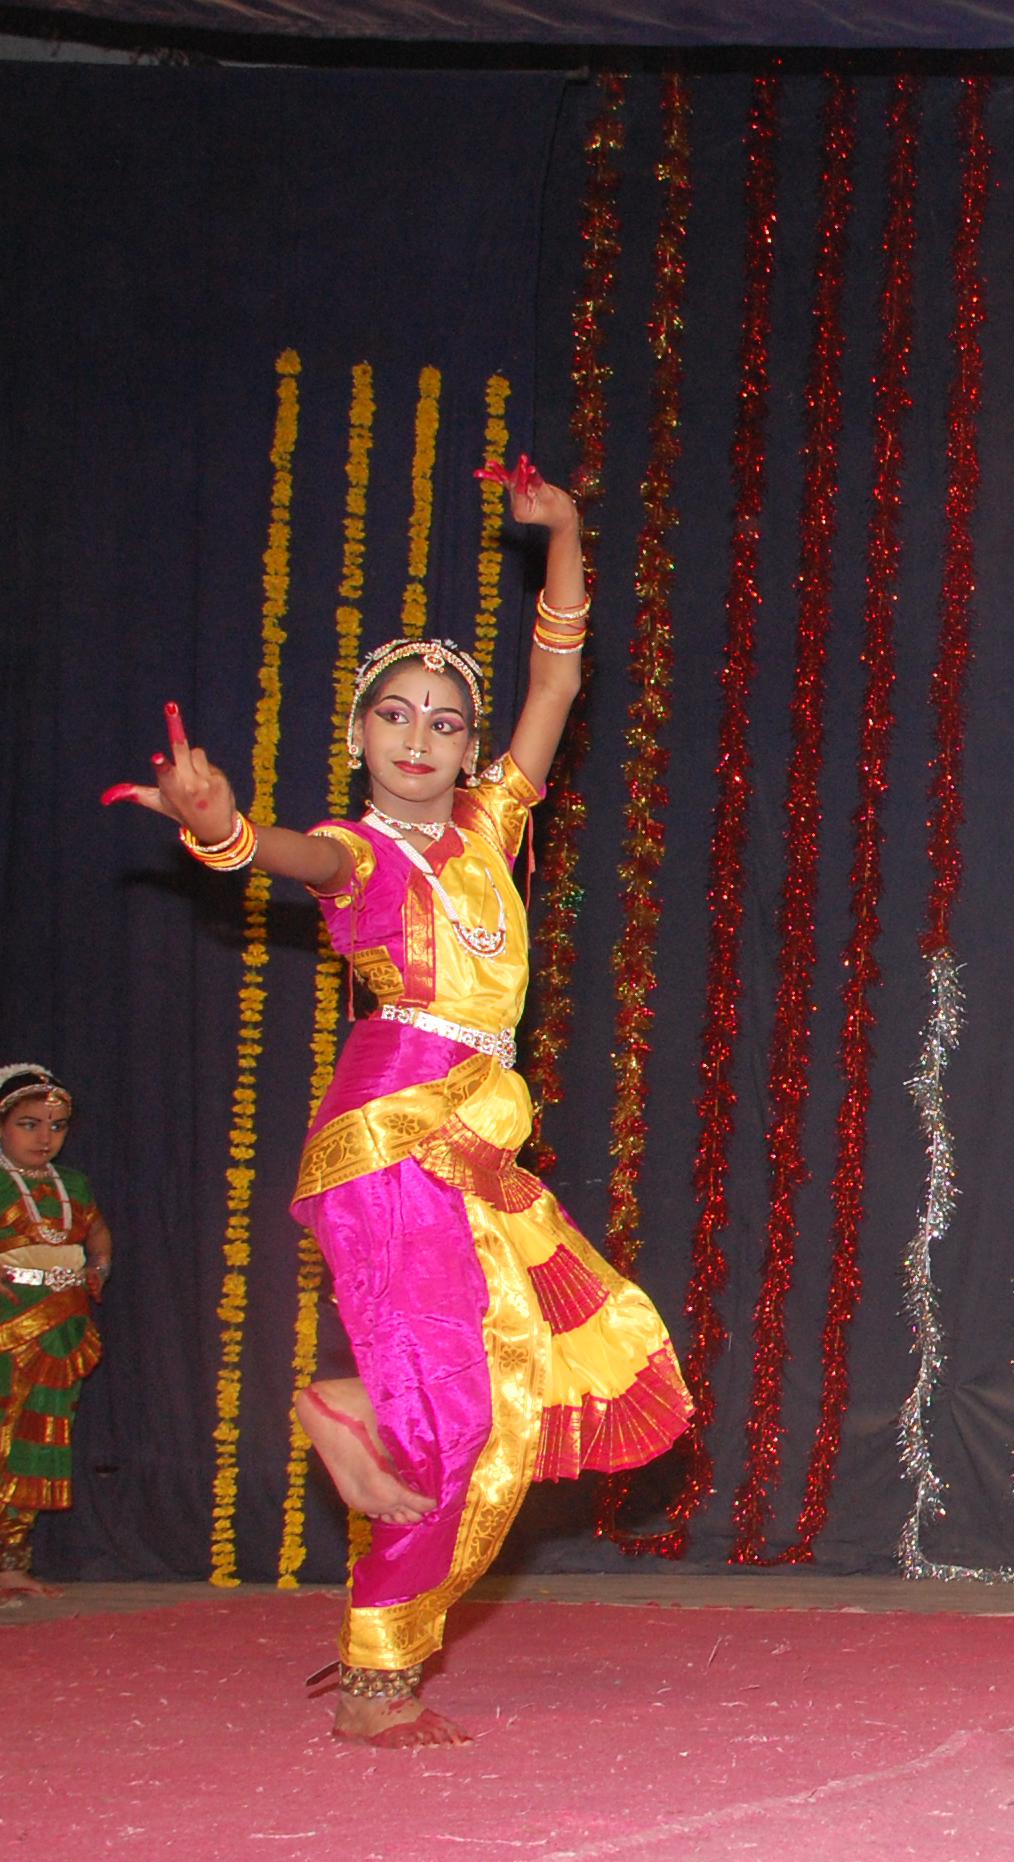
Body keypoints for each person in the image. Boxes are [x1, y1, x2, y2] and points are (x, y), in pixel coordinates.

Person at [108, 458, 689, 1746]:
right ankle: (377, 1664)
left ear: (468, 747)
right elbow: (292, 857)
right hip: (390, 1138)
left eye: (443, 720)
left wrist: (566, 534)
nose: (418, 736)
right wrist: (221, 830)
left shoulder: (492, 826)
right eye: (393, 715)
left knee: (502, 1399)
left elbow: (558, 679)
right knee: (460, 1415)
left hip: (470, 1137)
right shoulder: (359, 852)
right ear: (359, 735)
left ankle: (372, 1531)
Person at [0, 1064, 111, 1597]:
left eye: (57, 1126)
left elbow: (96, 1231)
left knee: (38, 1439)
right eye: (29, 1124)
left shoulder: (73, 1183)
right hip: (9, 1321)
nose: (45, 1137)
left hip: (63, 1322)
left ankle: (10, 1563)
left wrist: (100, 1266)